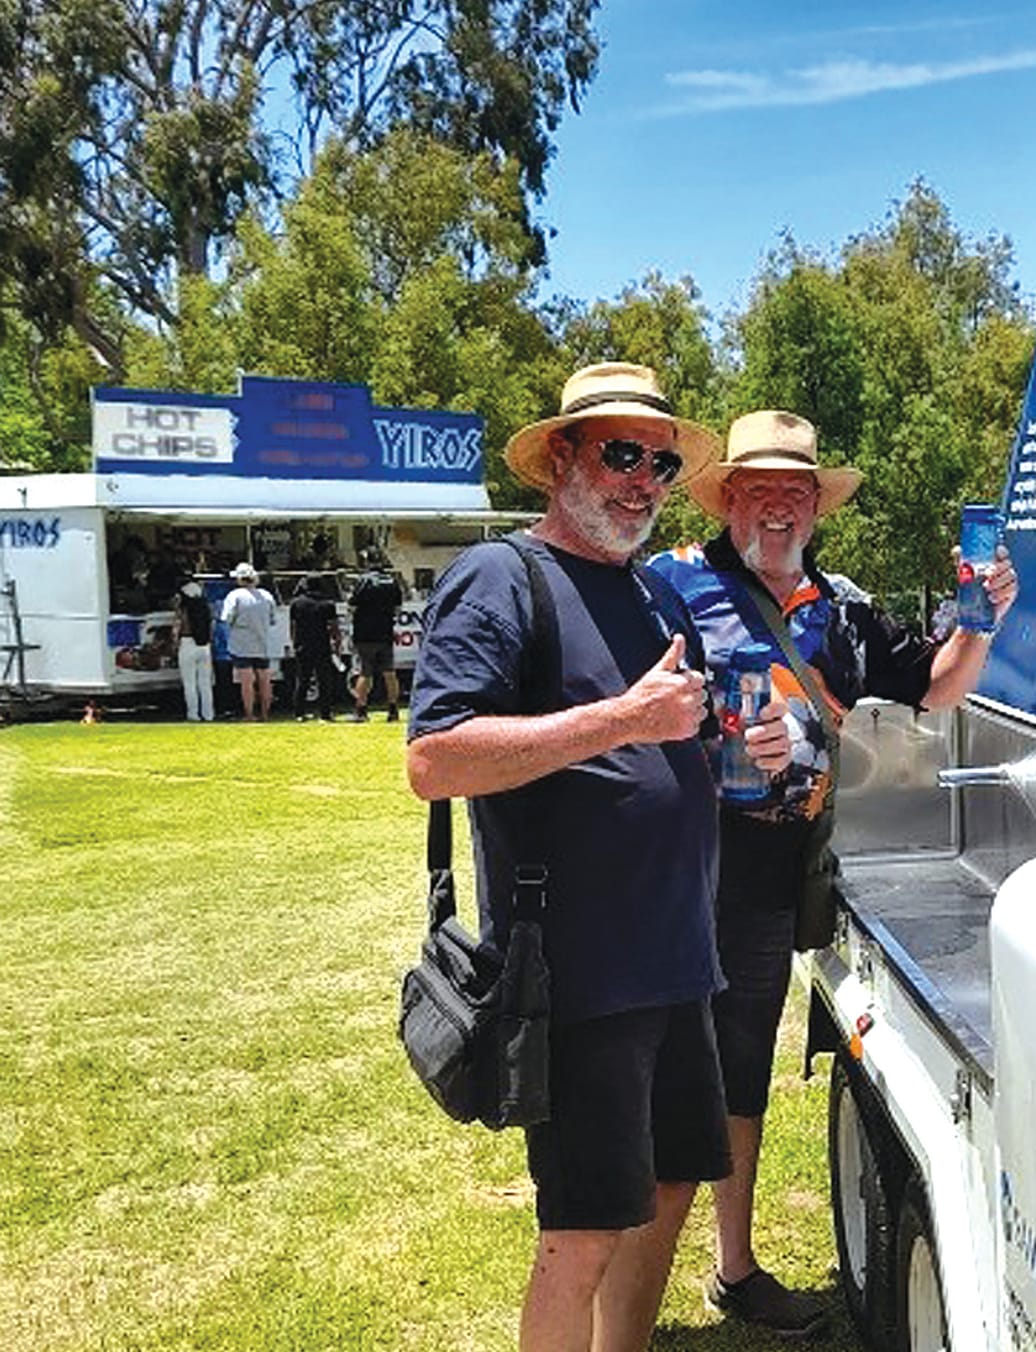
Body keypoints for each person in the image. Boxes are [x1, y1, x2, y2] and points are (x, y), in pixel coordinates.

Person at [403, 363, 789, 1352]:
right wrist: (623, 718)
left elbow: (672, 737)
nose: (643, 478)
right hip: (578, 974)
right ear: (561, 458)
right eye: (622, 452)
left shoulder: (652, 593)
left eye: (659, 460)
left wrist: (731, 750)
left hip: (676, 957)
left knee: (662, 1187)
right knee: (580, 1229)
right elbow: (435, 757)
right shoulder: (500, 577)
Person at [647, 409, 1018, 1336]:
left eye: (795, 491)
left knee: (737, 1074)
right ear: (728, 497)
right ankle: (621, 1287)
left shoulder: (841, 611)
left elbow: (935, 688)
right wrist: (714, 737)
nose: (777, 507)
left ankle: (733, 1268)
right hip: (667, 872)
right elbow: (617, 705)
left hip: (767, 880)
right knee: (644, 1075)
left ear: (817, 505)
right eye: (759, 489)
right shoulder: (667, 589)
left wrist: (983, 616)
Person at [348, 552, 405, 721]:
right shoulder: (392, 581)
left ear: (367, 562)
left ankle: (361, 709)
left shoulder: (362, 581)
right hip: (385, 632)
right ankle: (393, 710)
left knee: (365, 672)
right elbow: (398, 608)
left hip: (364, 633)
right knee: (389, 672)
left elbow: (352, 606)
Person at [220, 562, 278, 721]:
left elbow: (227, 618)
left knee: (247, 681)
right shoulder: (266, 596)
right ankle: (266, 714)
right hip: (262, 643)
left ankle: (249, 714)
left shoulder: (234, 596)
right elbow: (273, 619)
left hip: (241, 644)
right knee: (265, 679)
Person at [289, 574, 343, 721]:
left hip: (302, 645)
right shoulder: (328, 604)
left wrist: (294, 642)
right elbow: (333, 627)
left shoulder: (296, 603)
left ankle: (299, 713)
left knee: (302, 680)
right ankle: (325, 713)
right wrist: (337, 644)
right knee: (324, 680)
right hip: (322, 644)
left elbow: (293, 626)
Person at [173, 581, 215, 722]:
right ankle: (208, 714)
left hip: (187, 643)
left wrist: (174, 645)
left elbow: (176, 630)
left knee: (189, 682)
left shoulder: (183, 611)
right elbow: (211, 630)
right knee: (205, 683)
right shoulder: (206, 609)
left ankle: (193, 713)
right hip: (204, 646)